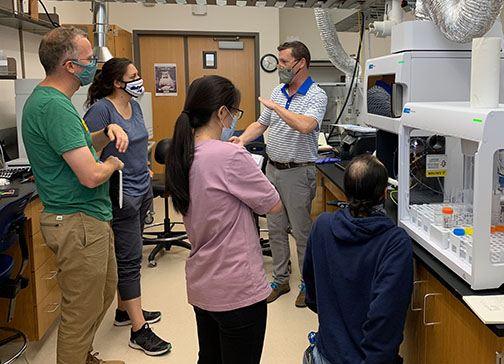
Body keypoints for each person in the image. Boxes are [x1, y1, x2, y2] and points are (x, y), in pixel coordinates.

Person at [22, 27, 127, 364]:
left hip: (89, 219)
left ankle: (83, 357)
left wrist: (103, 135)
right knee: (80, 311)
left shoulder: (56, 104)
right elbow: (90, 174)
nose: (94, 66)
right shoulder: (53, 106)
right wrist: (111, 163)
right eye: (88, 59)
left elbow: (76, 150)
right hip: (76, 221)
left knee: (102, 294)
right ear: (69, 66)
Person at [165, 75, 282, 364]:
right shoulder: (229, 155)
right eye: (235, 112)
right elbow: (274, 205)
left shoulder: (181, 154)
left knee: (209, 358)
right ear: (221, 113)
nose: (234, 119)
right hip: (237, 288)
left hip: (202, 284)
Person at [83, 58, 171, 356]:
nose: (139, 79)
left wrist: (144, 166)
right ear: (118, 82)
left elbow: (138, 142)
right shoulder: (101, 111)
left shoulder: (134, 105)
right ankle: (138, 330)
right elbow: (89, 154)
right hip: (119, 195)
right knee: (130, 260)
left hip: (140, 188)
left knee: (129, 257)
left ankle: (124, 311)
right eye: (133, 76)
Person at [229, 41, 327, 307]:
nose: (280, 67)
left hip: (298, 172)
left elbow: (306, 126)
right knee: (274, 228)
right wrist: (242, 140)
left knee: (301, 231)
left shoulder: (316, 95)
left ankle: (308, 283)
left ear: (301, 63)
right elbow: (262, 123)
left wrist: (277, 108)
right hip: (272, 169)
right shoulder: (278, 91)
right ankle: (281, 279)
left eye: (284, 62)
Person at [302, 154, 413, 364]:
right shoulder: (394, 242)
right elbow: (386, 318)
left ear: (346, 191)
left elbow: (312, 290)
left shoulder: (322, 226)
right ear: (384, 193)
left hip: (325, 353)